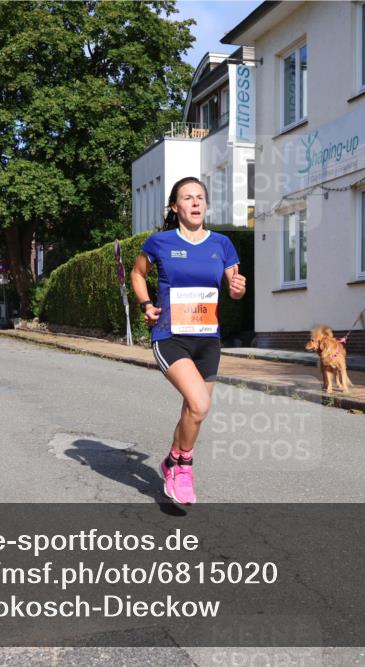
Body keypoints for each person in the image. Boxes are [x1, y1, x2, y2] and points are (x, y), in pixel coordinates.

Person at [130, 176, 246, 505]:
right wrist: (146, 304)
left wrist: (238, 289)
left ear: (206, 205)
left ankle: (170, 461)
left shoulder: (222, 244)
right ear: (175, 207)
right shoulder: (160, 242)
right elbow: (138, 273)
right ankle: (184, 467)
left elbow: (235, 286)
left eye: (200, 197)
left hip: (208, 340)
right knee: (200, 404)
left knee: (193, 413)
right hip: (170, 336)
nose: (195, 202)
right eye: (187, 198)